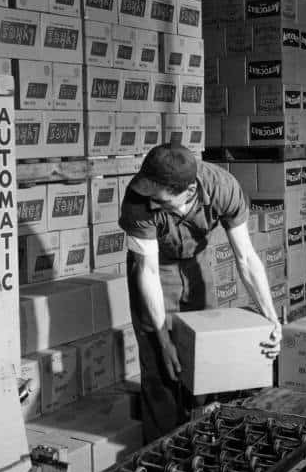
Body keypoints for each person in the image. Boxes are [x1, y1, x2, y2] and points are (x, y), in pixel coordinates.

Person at [119, 144, 282, 443]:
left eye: (159, 197)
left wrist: (272, 318)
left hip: (196, 260)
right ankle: (163, 448)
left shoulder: (223, 188)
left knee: (204, 349)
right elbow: (149, 271)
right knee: (160, 360)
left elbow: (246, 257)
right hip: (156, 266)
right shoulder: (137, 200)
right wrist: (164, 338)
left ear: (187, 189)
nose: (150, 199)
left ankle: (202, 436)